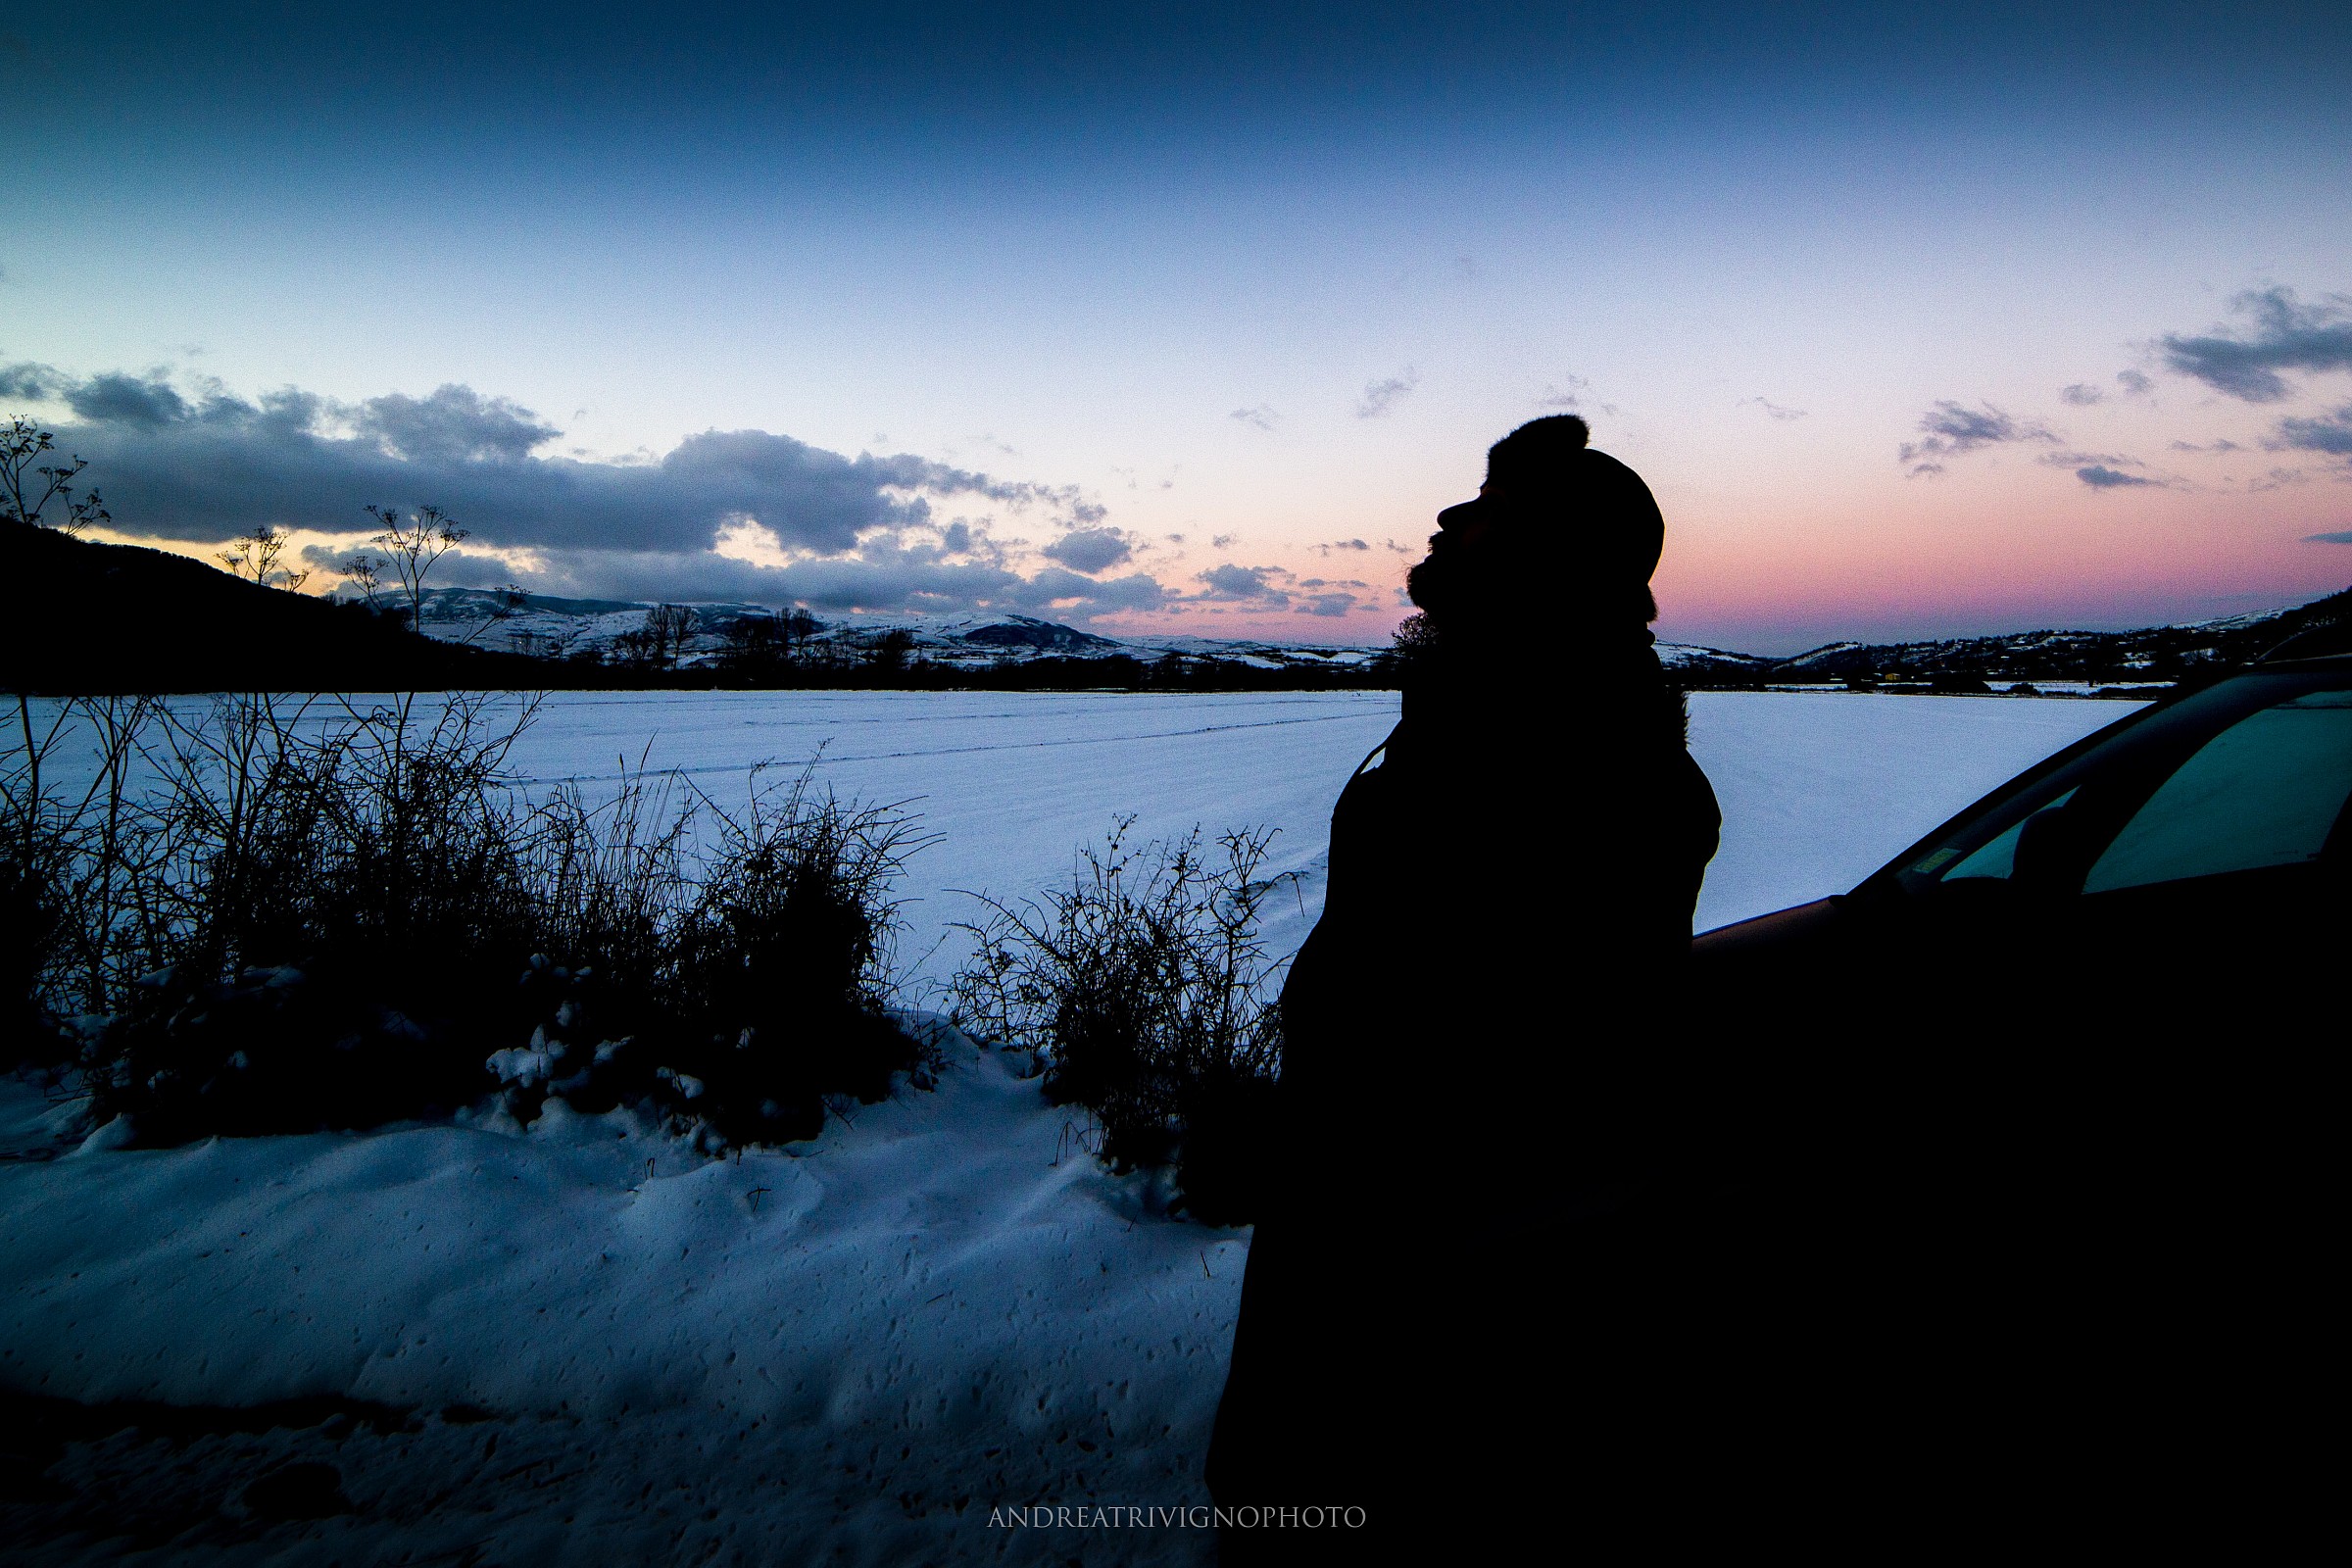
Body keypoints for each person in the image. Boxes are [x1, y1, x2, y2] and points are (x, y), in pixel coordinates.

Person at [1206, 416, 1722, 1557]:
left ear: (1547, 562)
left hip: (1430, 1287)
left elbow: (1527, 1081)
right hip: (1372, 1237)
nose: (1448, 519)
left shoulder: (1575, 766)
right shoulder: (1493, 725)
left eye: (1487, 507)